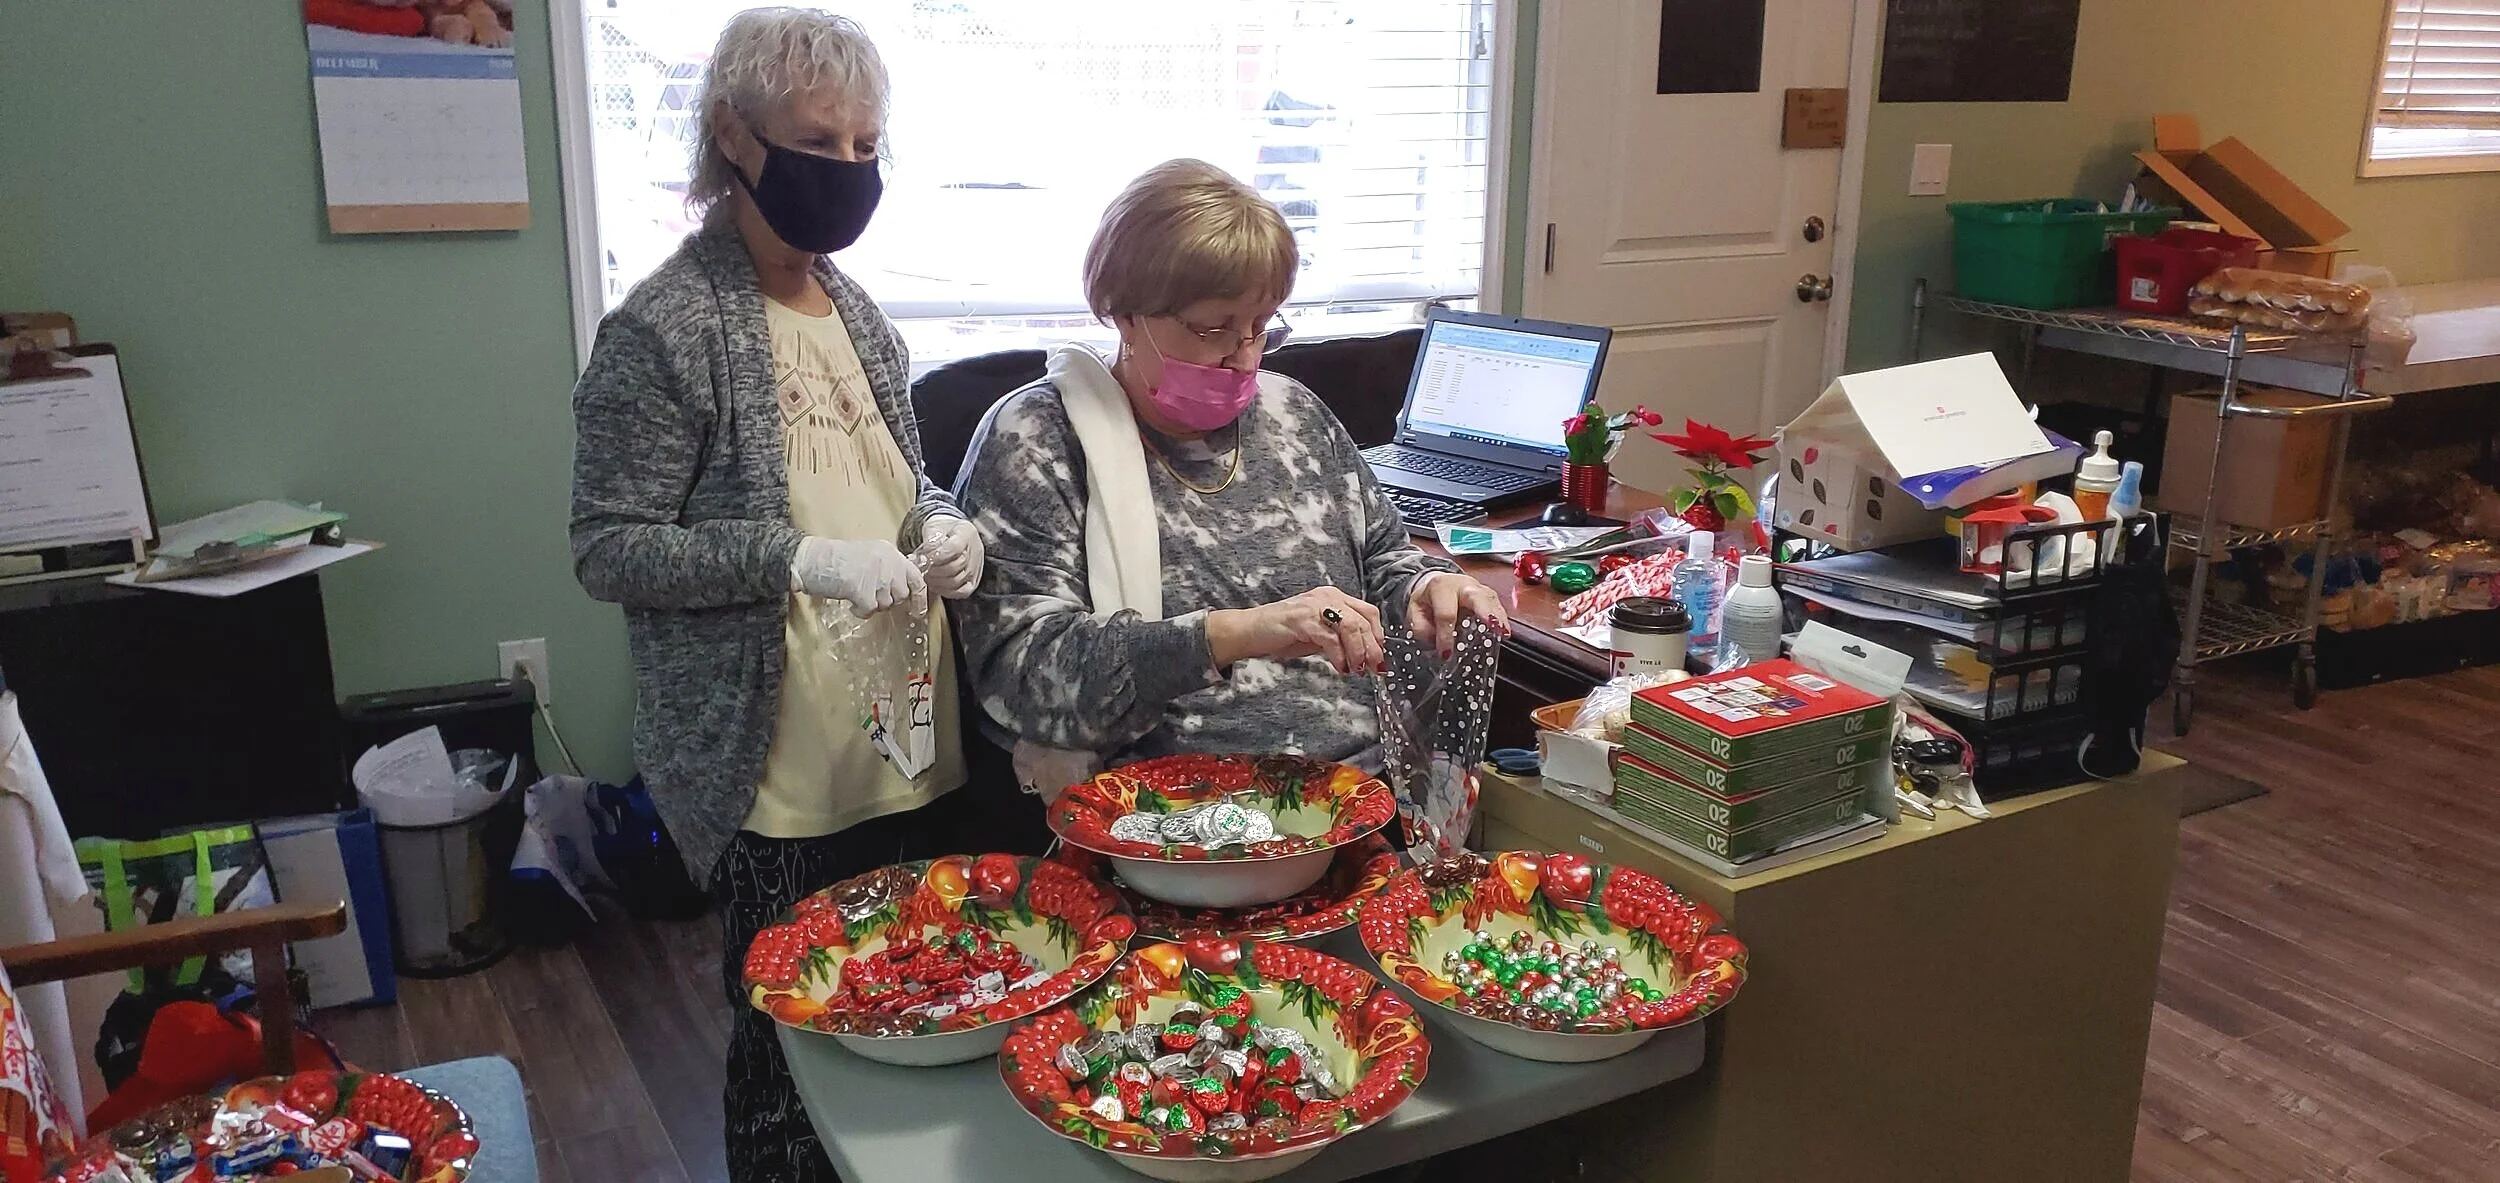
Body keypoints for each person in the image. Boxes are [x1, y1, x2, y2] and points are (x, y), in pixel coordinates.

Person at [567, 11, 1014, 1180]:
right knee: (789, 1060)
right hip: (780, 778)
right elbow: (608, 547)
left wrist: (938, 522)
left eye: (869, 146)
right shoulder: (665, 327)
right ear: (735, 134)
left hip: (910, 746)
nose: (849, 171)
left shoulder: (854, 311)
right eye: (822, 139)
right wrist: (794, 559)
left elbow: (890, 479)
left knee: (919, 1022)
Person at [952, 159, 1508, 795]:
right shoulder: (1041, 439)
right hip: (1167, 823)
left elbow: (1383, 563)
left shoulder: (1294, 413)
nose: (1243, 356)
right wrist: (1237, 634)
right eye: (1214, 328)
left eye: (1262, 327)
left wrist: (1428, 590)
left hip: (1359, 798)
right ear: (1123, 311)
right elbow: (1023, 677)